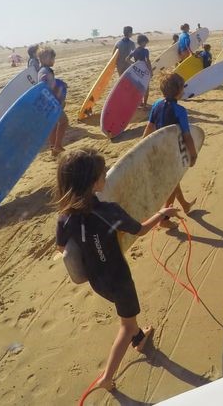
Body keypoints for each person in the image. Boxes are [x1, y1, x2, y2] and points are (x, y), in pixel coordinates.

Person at [54, 148, 181, 391]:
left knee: (127, 314)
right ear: (93, 183)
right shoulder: (110, 212)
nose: (106, 177)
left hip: (97, 280)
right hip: (119, 279)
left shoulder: (64, 218)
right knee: (125, 324)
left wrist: (91, 244)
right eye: (103, 174)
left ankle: (140, 339)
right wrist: (162, 213)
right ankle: (107, 377)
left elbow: (63, 249)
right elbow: (141, 230)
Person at [143, 73, 198, 216]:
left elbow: (149, 127)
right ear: (179, 91)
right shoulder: (180, 111)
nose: (184, 91)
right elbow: (187, 136)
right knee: (172, 183)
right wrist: (193, 154)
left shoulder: (156, 105)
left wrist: (142, 147)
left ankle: (185, 205)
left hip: (157, 149)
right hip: (171, 152)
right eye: (183, 88)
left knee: (174, 180)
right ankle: (165, 218)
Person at [37, 46, 69, 155]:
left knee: (54, 124)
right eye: (52, 58)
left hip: (47, 102)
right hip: (52, 102)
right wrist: (59, 93)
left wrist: (60, 82)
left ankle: (53, 148)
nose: (53, 60)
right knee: (64, 122)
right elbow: (48, 84)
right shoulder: (46, 71)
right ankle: (58, 145)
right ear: (46, 58)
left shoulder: (41, 70)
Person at [129, 34, 152, 108]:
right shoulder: (145, 51)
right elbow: (148, 61)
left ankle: (140, 103)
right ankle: (144, 105)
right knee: (146, 88)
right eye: (145, 42)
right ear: (142, 42)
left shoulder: (134, 51)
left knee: (138, 87)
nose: (145, 44)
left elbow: (126, 59)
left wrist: (135, 65)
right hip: (144, 71)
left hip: (136, 72)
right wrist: (151, 71)